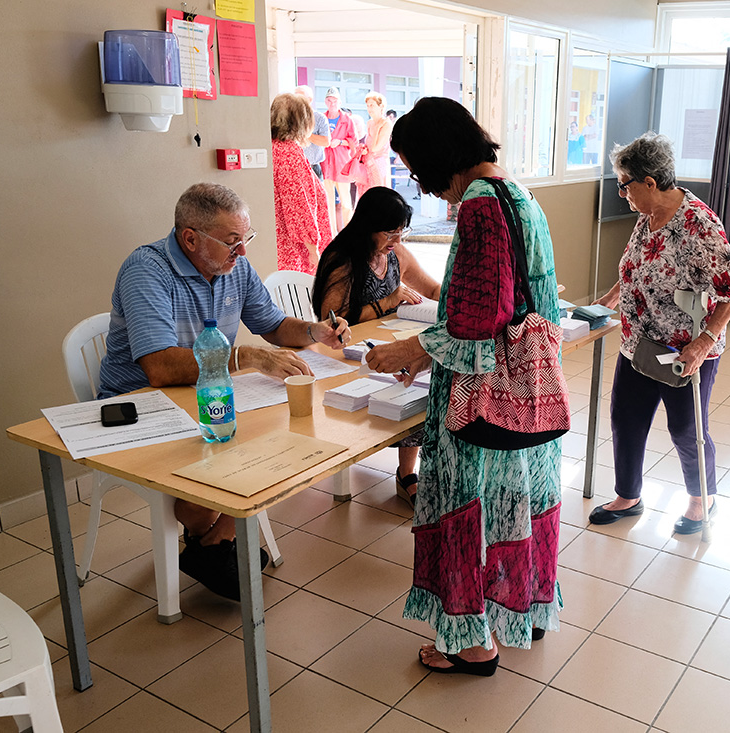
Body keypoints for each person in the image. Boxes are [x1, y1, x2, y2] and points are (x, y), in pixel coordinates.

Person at [364, 97, 563, 676]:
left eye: (414, 167)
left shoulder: (478, 207)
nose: (420, 185)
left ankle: (471, 642)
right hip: (528, 390)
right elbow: (531, 303)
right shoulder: (521, 196)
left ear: (436, 156)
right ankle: (523, 607)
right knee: (520, 505)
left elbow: (476, 329)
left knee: (463, 513)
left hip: (480, 407)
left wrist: (411, 351)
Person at [97, 182, 351, 600]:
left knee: (289, 440)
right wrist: (244, 358)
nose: (243, 252)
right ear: (190, 238)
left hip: (208, 394)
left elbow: (272, 325)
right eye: (233, 242)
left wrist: (313, 331)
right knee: (229, 468)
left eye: (245, 239)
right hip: (143, 404)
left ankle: (214, 541)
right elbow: (158, 367)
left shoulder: (232, 268)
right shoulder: (147, 270)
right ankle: (210, 536)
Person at [588, 132, 730, 535]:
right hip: (637, 343)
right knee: (626, 417)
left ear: (650, 183)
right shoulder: (648, 215)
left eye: (624, 184)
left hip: (683, 349)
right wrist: (606, 300)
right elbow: (636, 269)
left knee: (686, 428)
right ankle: (628, 495)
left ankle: (701, 500)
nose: (621, 193)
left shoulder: (698, 224)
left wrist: (703, 342)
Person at [311, 186, 441, 505]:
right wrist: (389, 301)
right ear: (368, 227)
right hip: (346, 353)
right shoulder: (342, 259)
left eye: (401, 231)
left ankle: (407, 472)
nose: (397, 240)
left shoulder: (395, 254)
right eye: (390, 232)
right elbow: (335, 321)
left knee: (420, 383)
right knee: (402, 382)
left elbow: (434, 288)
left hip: (387, 340)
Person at [271, 93, 333, 272]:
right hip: (295, 248)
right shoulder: (289, 153)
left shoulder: (273, 148)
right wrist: (313, 250)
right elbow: (298, 205)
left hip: (285, 241)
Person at [322, 87, 359, 234]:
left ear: (340, 102)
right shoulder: (321, 118)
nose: (332, 103)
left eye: (335, 101)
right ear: (326, 101)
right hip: (326, 165)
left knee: (346, 203)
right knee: (328, 203)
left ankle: (350, 233)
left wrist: (340, 142)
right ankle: (331, 235)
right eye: (329, 100)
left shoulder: (347, 120)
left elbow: (354, 142)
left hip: (342, 165)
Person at [357, 92, 393, 196]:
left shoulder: (386, 123)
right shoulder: (369, 123)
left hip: (379, 164)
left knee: (378, 194)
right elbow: (369, 145)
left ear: (381, 106)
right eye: (368, 106)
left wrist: (377, 129)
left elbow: (376, 148)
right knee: (365, 194)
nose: (369, 108)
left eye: (372, 105)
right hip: (367, 163)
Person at [294, 85, 331, 180]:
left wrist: (306, 134)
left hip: (313, 168)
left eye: (300, 97)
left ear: (309, 100)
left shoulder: (319, 118)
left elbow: (326, 142)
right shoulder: (290, 118)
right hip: (294, 168)